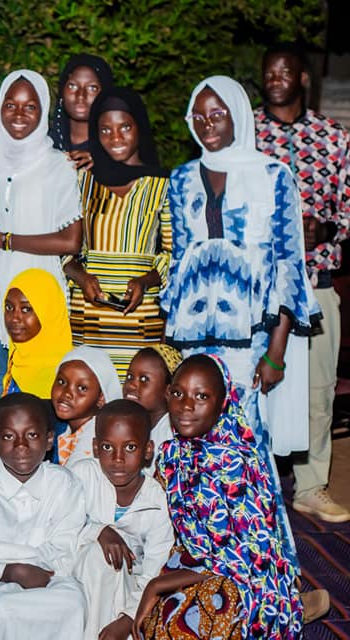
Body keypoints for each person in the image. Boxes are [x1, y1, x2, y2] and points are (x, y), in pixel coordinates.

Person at [163, 76, 319, 567]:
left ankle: (270, 563)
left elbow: (289, 265)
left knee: (248, 448)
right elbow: (181, 257)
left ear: (239, 116)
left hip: (251, 341)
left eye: (218, 114)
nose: (208, 124)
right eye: (200, 116)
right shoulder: (181, 179)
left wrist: (276, 352)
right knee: (197, 448)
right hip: (196, 343)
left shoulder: (274, 175)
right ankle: (207, 559)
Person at [134, 355, 303, 639]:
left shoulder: (235, 464)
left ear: (223, 402)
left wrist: (158, 585)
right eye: (178, 393)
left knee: (195, 619)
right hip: (188, 563)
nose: (186, 405)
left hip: (244, 579)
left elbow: (247, 561)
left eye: (201, 396)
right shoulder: (172, 454)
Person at [254, 44, 350, 523]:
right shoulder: (243, 134)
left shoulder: (333, 138)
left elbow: (348, 213)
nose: (276, 78)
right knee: (258, 386)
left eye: (285, 70)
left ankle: (311, 485)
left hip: (316, 283)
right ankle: (255, 480)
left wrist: (324, 229)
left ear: (303, 78)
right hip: (259, 288)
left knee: (317, 390)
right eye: (269, 71)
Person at [0, 71, 82, 406]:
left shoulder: (57, 166)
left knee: (43, 402)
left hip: (41, 303)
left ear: (43, 110)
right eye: (11, 105)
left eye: (30, 106)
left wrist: (6, 240)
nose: (19, 114)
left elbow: (71, 240)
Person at [63, 86, 172, 379]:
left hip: (141, 316)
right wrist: (82, 277)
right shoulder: (81, 182)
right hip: (88, 314)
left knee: (137, 404)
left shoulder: (164, 185)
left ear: (140, 127)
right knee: (90, 398)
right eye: (105, 129)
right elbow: (65, 252)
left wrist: (145, 280)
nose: (115, 137)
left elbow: (172, 255)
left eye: (125, 126)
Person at [0, 393, 87, 639]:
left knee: (73, 602)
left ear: (49, 440)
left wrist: (24, 565)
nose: (21, 445)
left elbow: (66, 548)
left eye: (32, 435)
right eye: (9, 436)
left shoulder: (63, 484)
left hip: (51, 579)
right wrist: (7, 571)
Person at [70, 399, 172, 640]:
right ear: (95, 447)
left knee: (109, 565)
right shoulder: (82, 476)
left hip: (130, 595)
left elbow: (155, 572)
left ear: (148, 450)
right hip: (77, 581)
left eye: (130, 448)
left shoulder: (157, 500)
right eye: (107, 447)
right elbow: (59, 529)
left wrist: (127, 619)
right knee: (98, 556)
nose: (117, 459)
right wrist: (98, 531)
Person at [0, 269, 73, 399]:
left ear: (48, 312)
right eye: (9, 307)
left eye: (26, 309)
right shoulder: (16, 364)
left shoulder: (67, 379)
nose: (15, 318)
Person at [52, 345, 123, 465]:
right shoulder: (62, 429)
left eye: (82, 388)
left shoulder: (97, 439)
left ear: (101, 398)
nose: (67, 393)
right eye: (61, 382)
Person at [49, 54, 114, 169]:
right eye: (72, 86)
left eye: (92, 88)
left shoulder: (118, 146)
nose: (81, 95)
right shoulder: (44, 143)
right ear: (62, 92)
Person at [122, 345, 183, 466]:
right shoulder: (130, 424)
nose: (131, 385)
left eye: (144, 379)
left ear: (168, 391)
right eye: (129, 377)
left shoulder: (170, 436)